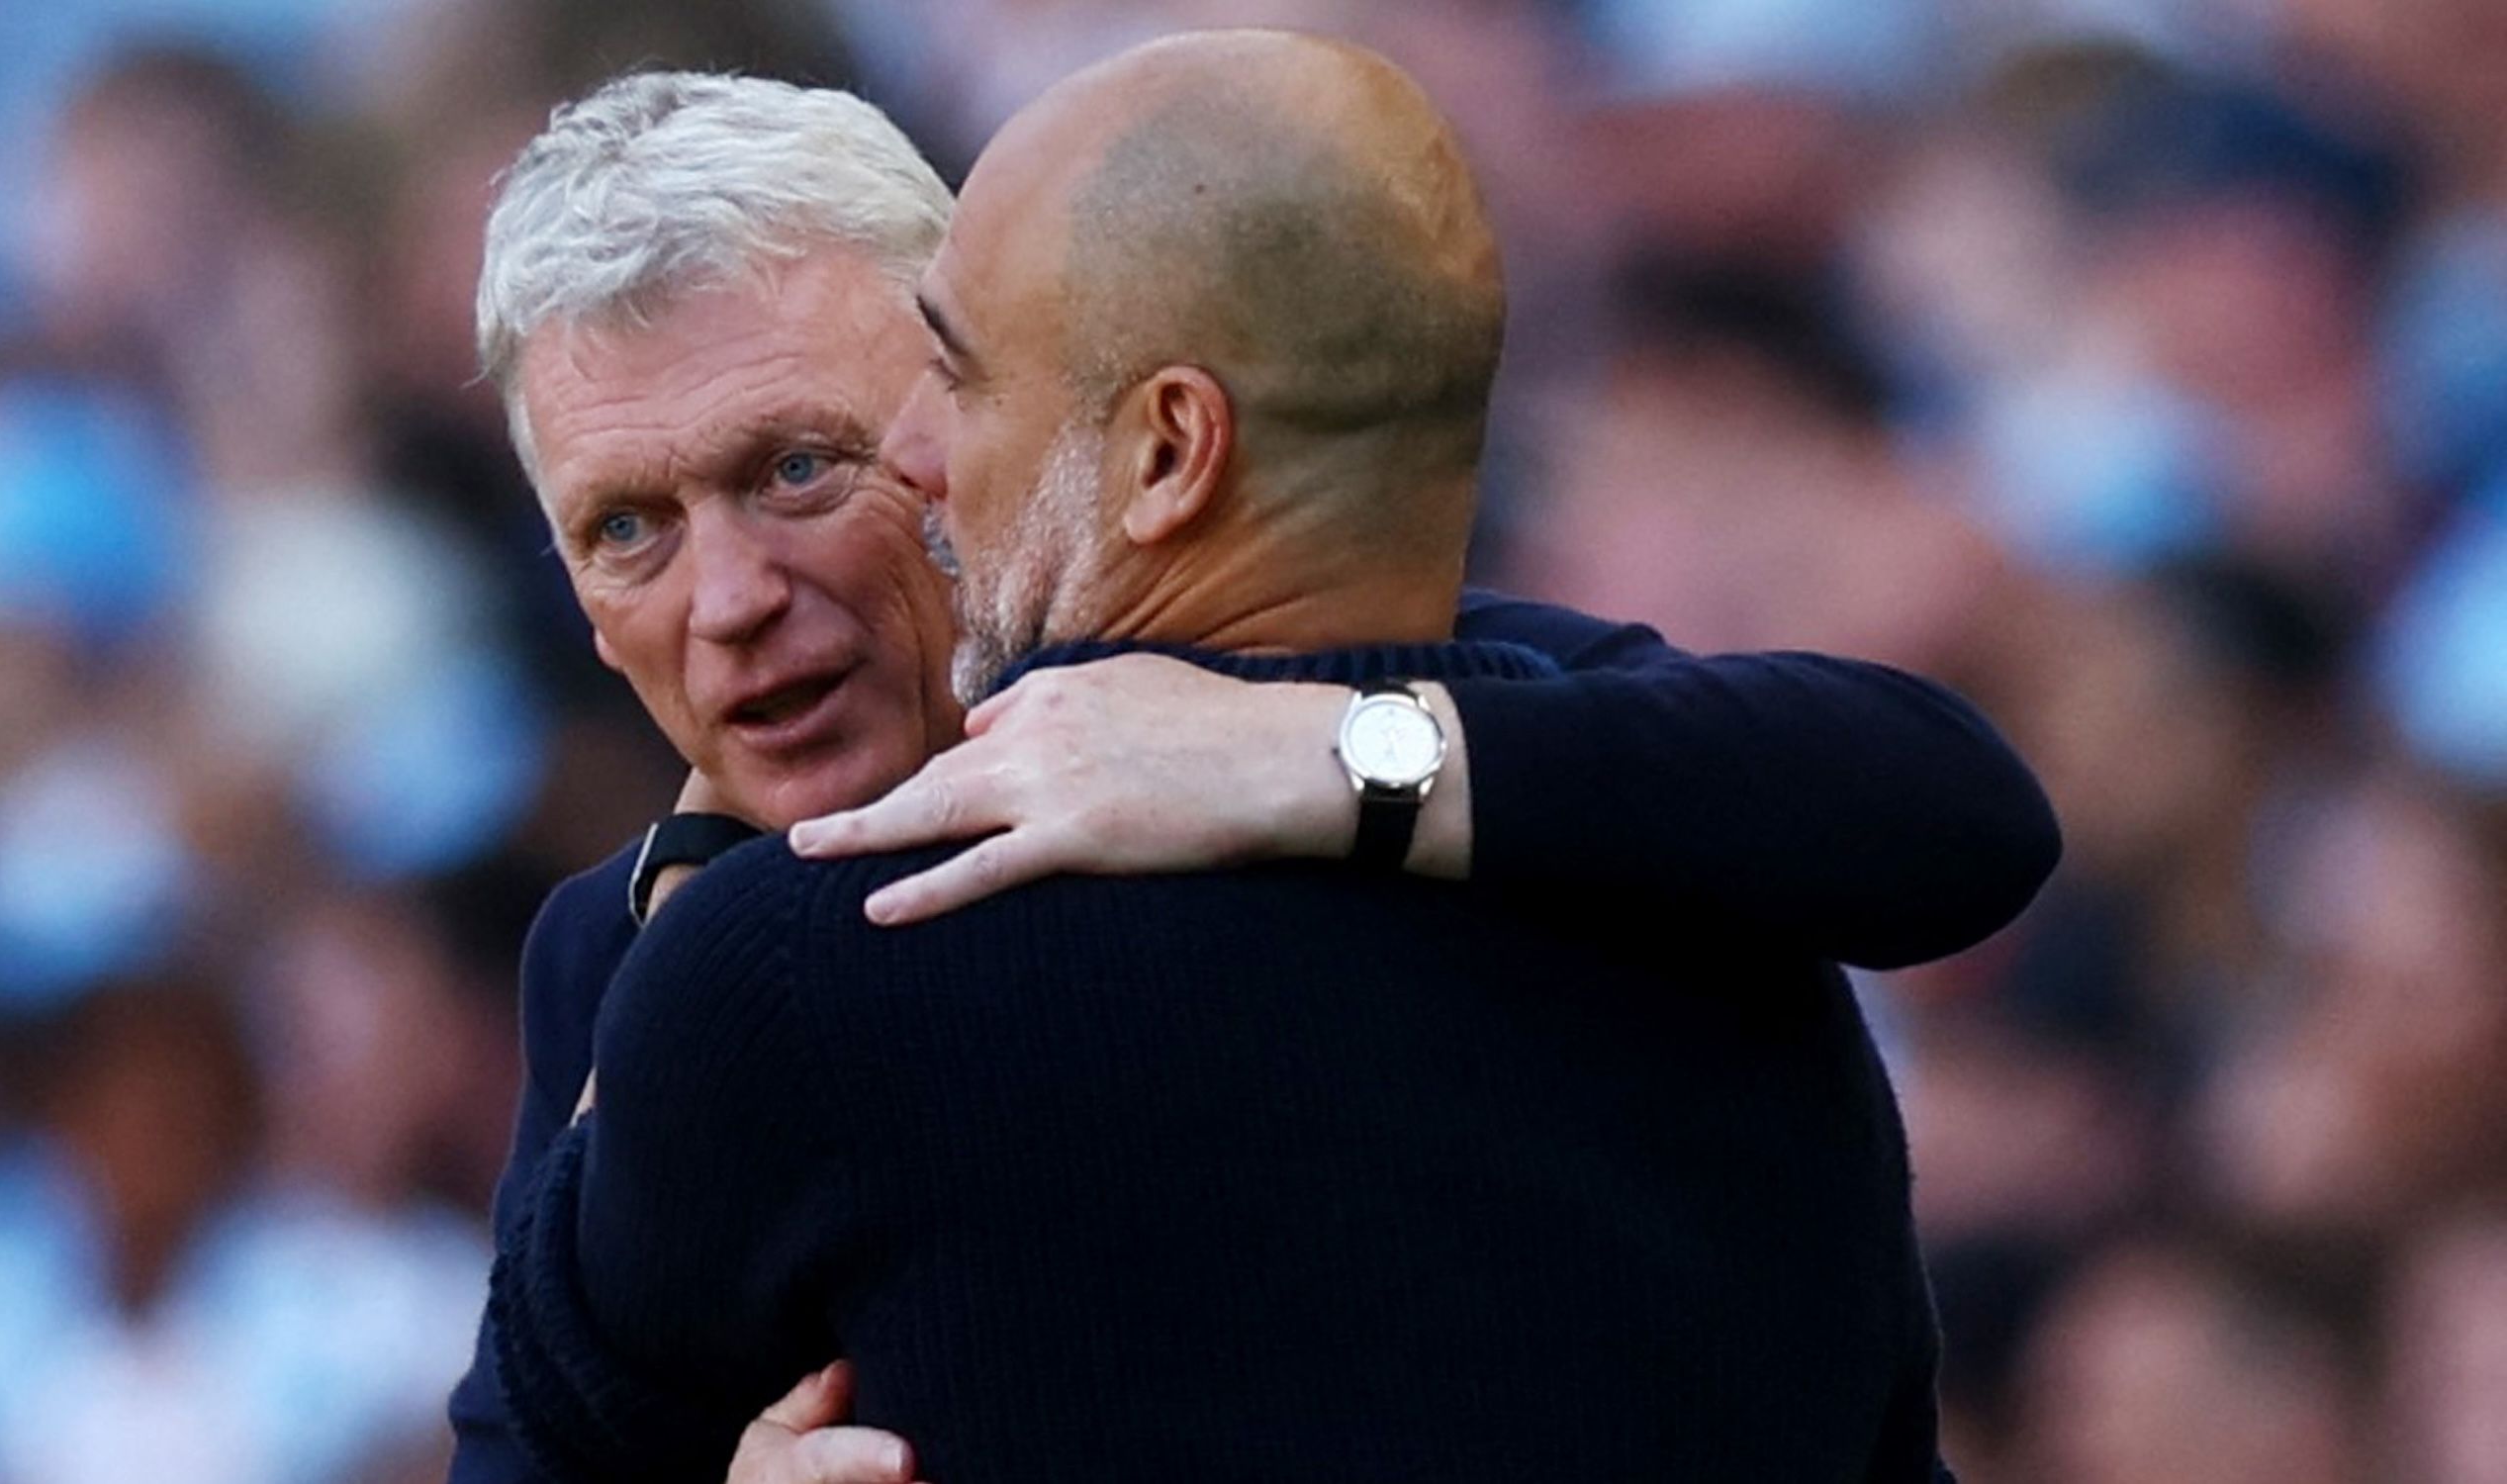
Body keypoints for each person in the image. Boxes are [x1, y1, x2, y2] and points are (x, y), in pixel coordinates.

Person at [447, 62, 2053, 1484]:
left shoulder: (1474, 724)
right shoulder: (638, 950)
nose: (727, 601)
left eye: (801, 467)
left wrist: (1305, 751)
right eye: (625, 531)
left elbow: (1946, 805)